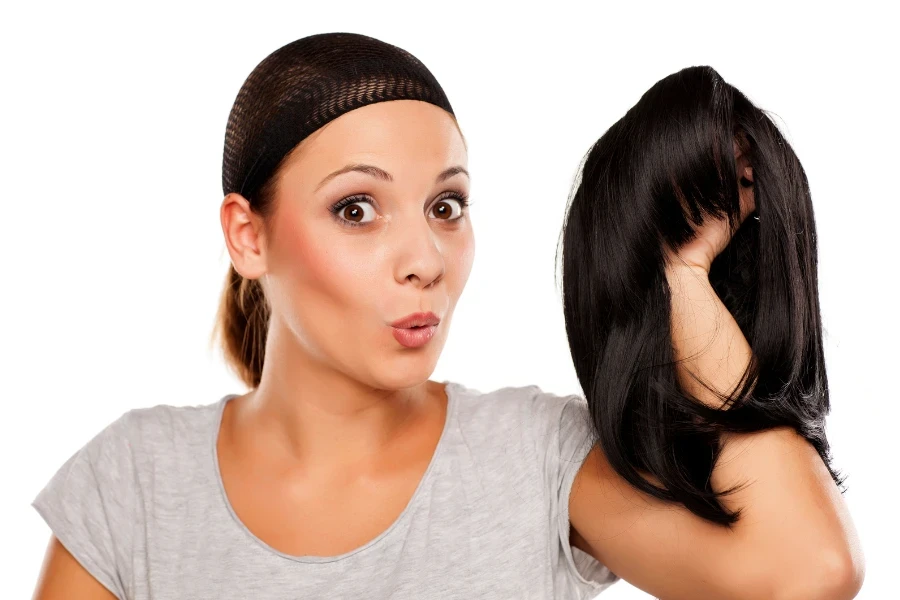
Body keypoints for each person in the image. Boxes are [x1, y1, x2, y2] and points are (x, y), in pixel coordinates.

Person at [30, 34, 862, 599]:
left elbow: (810, 571)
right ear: (248, 237)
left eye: (447, 205)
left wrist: (682, 276)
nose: (425, 257)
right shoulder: (131, 484)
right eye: (357, 208)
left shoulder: (539, 459)